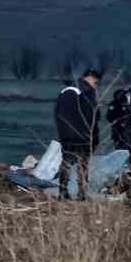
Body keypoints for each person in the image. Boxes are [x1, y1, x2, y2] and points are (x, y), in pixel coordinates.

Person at [54, 69, 101, 200]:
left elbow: (59, 114)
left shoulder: (67, 90)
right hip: (82, 134)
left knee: (66, 162)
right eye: (96, 82)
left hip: (66, 134)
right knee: (83, 163)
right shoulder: (85, 92)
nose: (95, 85)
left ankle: (62, 192)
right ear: (90, 77)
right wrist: (93, 136)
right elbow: (92, 115)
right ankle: (82, 194)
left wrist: (63, 131)